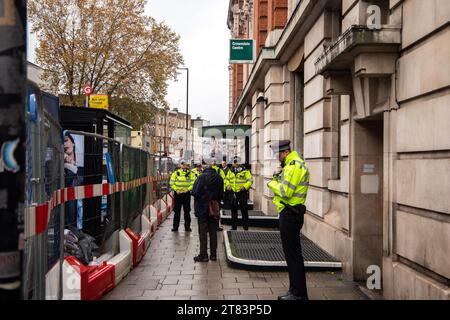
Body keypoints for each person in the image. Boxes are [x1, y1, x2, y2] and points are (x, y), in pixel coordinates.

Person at [267, 140, 309, 300]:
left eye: (278, 155)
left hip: (291, 214)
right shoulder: (291, 165)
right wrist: (278, 175)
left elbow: (285, 191)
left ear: (285, 152)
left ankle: (298, 293)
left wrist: (271, 183)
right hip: (290, 213)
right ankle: (294, 290)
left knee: (293, 255)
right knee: (292, 254)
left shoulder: (294, 166)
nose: (277, 158)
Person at [191, 158, 224, 262]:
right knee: (213, 231)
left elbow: (194, 192)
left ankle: (203, 255)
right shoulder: (219, 178)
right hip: (214, 208)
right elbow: (221, 195)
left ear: (204, 167)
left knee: (203, 232)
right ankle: (213, 255)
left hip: (202, 208)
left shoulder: (201, 177)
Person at [225, 156, 253, 230]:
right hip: (233, 193)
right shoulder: (230, 170)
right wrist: (227, 185)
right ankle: (234, 227)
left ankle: (245, 227)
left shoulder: (245, 171)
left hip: (241, 192)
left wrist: (244, 187)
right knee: (233, 210)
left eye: (236, 162)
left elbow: (250, 181)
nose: (234, 163)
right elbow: (226, 179)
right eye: (234, 162)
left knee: (244, 210)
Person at [169, 159, 194, 232]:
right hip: (178, 194)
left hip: (186, 194)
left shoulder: (190, 173)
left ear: (187, 165)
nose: (183, 165)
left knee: (187, 211)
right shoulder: (176, 173)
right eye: (182, 164)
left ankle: (187, 227)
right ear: (180, 165)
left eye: (184, 164)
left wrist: (188, 189)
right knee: (177, 211)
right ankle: (175, 227)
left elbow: (193, 183)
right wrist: (176, 189)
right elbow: (171, 183)